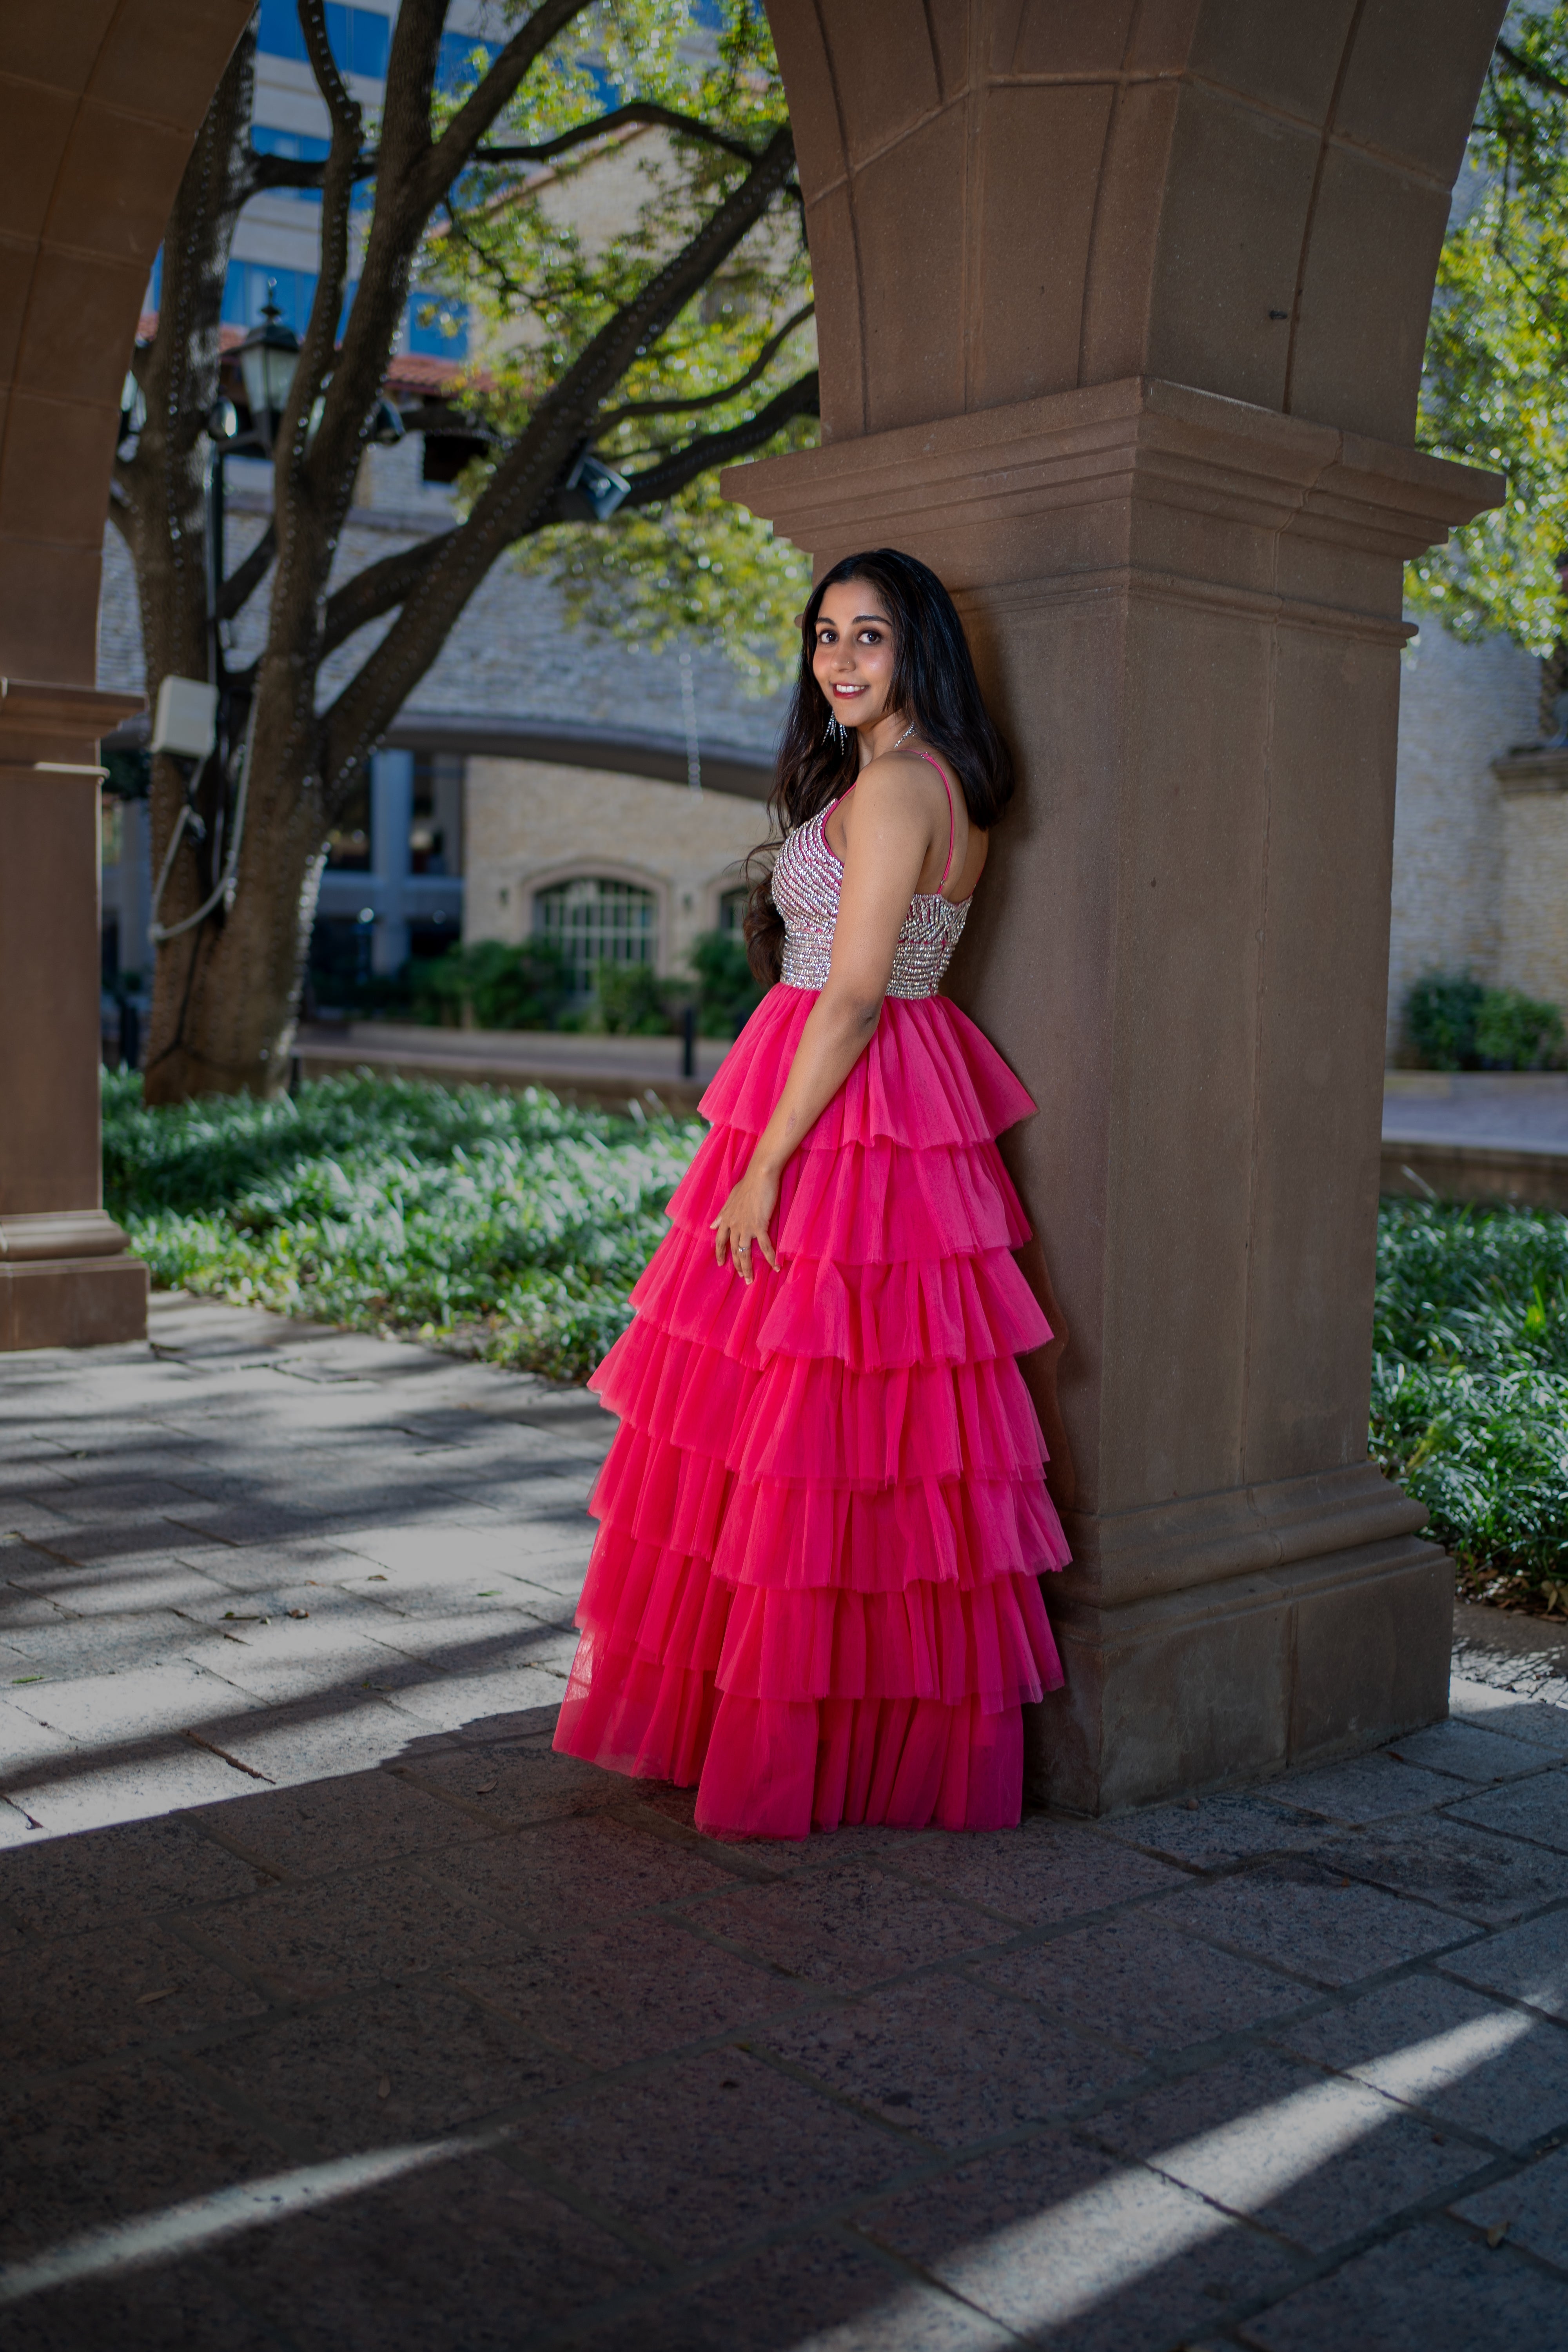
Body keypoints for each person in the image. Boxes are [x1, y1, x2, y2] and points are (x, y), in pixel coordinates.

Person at [553, 547, 1070, 1837]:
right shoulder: (895, 775)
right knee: (838, 1424)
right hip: (882, 1084)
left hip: (848, 1102)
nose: (839, 660)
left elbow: (850, 991)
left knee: (810, 1421)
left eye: (870, 637)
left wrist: (768, 1162)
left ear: (920, 652)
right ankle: (811, 1726)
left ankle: (793, 1743)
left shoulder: (901, 786)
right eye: (826, 635)